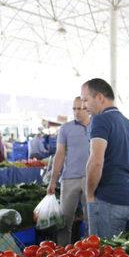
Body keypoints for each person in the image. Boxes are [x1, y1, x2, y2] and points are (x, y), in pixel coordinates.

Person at [81, 78, 129, 239]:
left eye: (85, 100)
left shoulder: (100, 120)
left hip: (109, 202)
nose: (84, 106)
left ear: (99, 97)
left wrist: (90, 194)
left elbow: (96, 161)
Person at [47, 97, 91, 246]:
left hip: (91, 179)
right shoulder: (65, 128)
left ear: (87, 108)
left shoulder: (97, 127)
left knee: (91, 220)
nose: (76, 112)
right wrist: (53, 181)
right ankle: (62, 253)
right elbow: (59, 154)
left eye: (80, 108)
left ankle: (91, 252)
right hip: (69, 179)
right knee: (64, 222)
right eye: (74, 109)